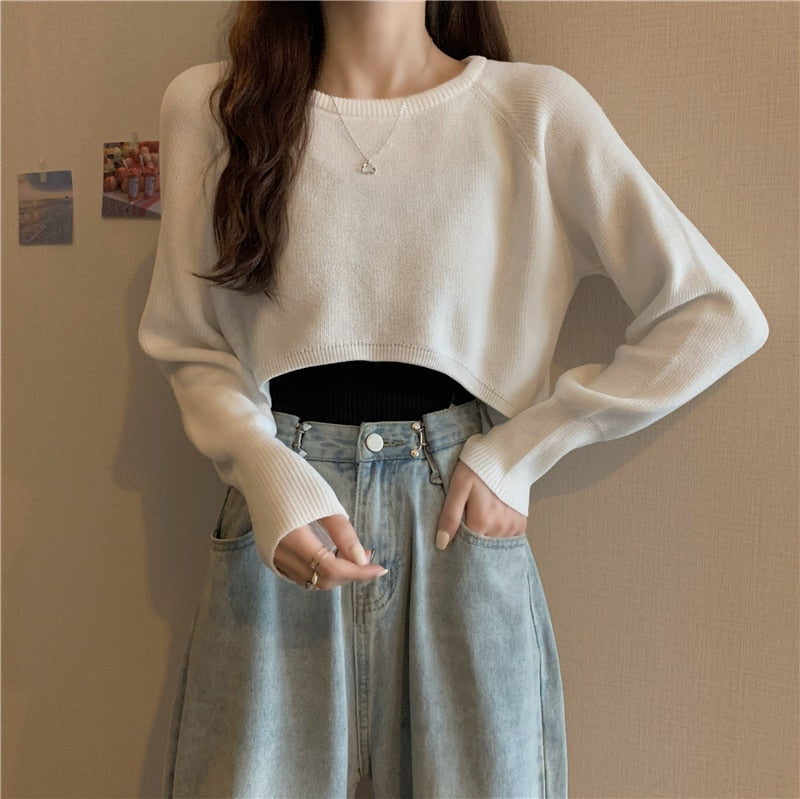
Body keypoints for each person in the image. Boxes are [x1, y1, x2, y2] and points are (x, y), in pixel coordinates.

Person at [138, 1, 768, 797]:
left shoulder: (532, 110)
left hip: (458, 521)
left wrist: (524, 450)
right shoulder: (213, 108)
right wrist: (265, 472)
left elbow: (713, 313)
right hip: (285, 526)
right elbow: (188, 340)